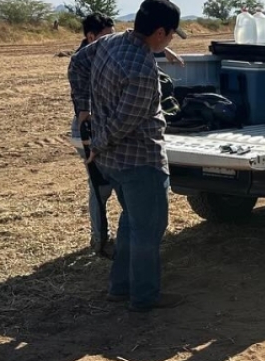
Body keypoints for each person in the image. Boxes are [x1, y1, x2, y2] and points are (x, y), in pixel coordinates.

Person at [67, 0, 189, 312]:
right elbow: (124, 122)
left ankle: (120, 287)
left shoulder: (109, 42)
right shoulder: (142, 71)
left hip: (114, 164)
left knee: (131, 222)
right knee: (148, 230)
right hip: (140, 161)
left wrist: (83, 108)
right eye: (172, 35)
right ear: (160, 32)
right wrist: (98, 144)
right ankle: (144, 297)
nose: (171, 40)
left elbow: (76, 64)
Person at [71, 13, 118, 260]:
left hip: (98, 127)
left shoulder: (103, 54)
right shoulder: (84, 61)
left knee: (106, 185)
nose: (112, 41)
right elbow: (84, 106)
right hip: (88, 129)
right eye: (107, 36)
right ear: (91, 37)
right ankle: (100, 242)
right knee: (100, 188)